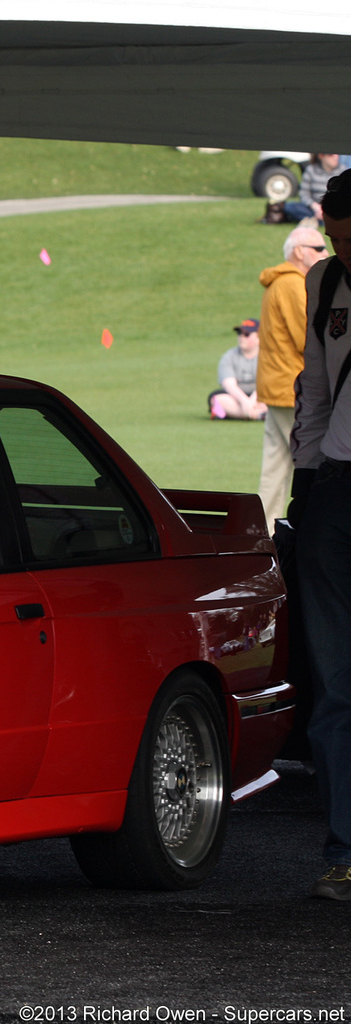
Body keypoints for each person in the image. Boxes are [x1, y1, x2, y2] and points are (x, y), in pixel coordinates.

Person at [292, 169, 351, 899]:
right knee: (336, 685)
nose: (343, 251)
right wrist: (303, 497)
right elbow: (312, 391)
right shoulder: (324, 285)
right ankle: (344, 848)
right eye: (336, 239)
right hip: (334, 491)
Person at [256, 222, 328, 523]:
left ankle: (265, 527)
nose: (326, 252)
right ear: (299, 252)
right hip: (290, 387)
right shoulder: (292, 284)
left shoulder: (280, 282)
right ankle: (310, 526)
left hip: (278, 385)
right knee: (312, 460)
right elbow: (308, 337)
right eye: (319, 248)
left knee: (275, 463)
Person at [208, 318, 266, 421]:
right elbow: (229, 385)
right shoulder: (229, 357)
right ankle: (258, 415)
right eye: (240, 333)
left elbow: (266, 383)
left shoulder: (267, 357)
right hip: (237, 398)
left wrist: (251, 402)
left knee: (274, 399)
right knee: (217, 399)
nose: (241, 337)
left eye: (247, 334)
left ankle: (233, 414)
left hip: (260, 396)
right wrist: (245, 402)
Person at [286, 154, 345, 225]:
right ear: (321, 156)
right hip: (314, 208)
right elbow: (304, 194)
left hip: (334, 209)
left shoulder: (343, 171)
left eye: (337, 154)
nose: (336, 157)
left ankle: (317, 220)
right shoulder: (311, 170)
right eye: (331, 155)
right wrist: (315, 207)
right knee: (290, 206)